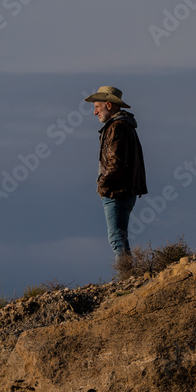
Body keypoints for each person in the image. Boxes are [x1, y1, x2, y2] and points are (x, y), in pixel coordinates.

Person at [84, 85, 147, 268]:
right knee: (120, 237)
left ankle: (126, 278)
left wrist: (102, 186)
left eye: (97, 106)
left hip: (116, 191)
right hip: (124, 190)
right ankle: (128, 276)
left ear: (109, 105)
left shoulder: (116, 127)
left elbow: (115, 163)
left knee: (116, 238)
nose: (95, 112)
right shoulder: (124, 125)